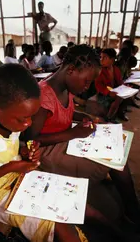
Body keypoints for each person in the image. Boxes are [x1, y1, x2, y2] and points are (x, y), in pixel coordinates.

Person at [0, 63, 104, 242]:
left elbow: (7, 148)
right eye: (23, 118)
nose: (28, 124)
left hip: (18, 178)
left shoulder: (10, 119)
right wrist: (12, 166)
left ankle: (119, 232)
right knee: (57, 224)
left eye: (31, 117)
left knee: (78, 203)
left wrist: (24, 152)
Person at [21, 45, 140, 227]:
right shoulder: (43, 96)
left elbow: (63, 110)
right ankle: (133, 213)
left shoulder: (64, 85)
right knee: (116, 162)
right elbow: (30, 140)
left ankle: (131, 208)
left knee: (117, 148)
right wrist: (73, 133)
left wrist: (81, 116)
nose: (86, 87)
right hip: (46, 152)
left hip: (65, 137)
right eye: (86, 81)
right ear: (71, 70)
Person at [95, 48, 128, 122]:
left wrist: (125, 87)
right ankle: (109, 118)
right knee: (118, 99)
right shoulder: (100, 70)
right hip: (103, 94)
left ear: (112, 60)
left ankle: (114, 115)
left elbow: (120, 82)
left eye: (105, 57)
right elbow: (98, 86)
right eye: (101, 57)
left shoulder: (116, 69)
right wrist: (109, 92)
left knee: (124, 96)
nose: (101, 59)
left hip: (114, 91)